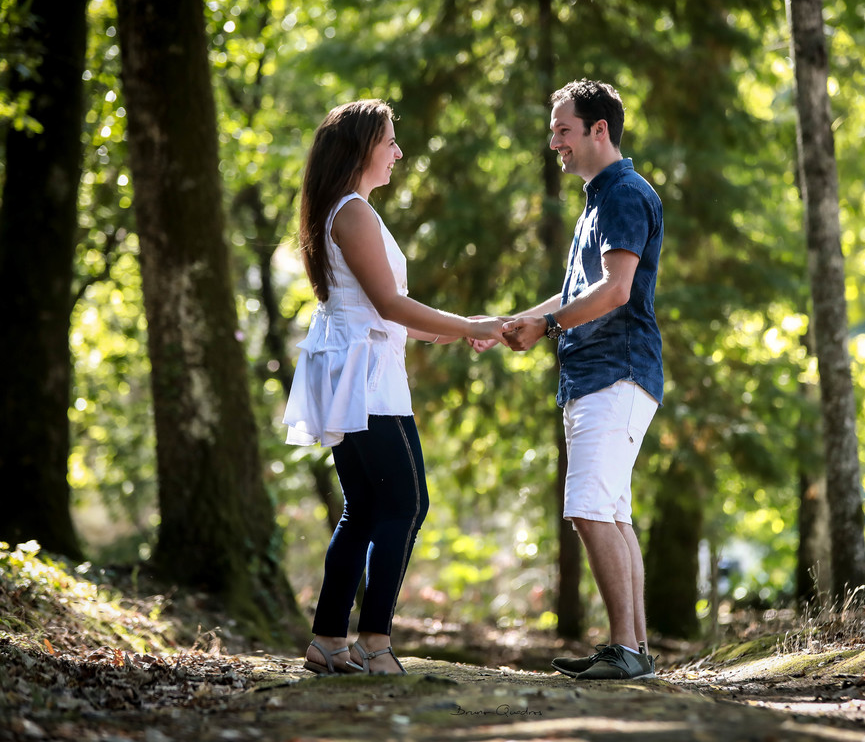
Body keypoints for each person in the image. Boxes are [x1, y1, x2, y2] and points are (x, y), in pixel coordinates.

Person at [283, 99, 506, 676]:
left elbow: (385, 310)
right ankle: (374, 641)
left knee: (363, 508)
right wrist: (470, 324)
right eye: (389, 141)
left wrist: (458, 331)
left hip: (356, 371)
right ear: (362, 149)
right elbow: (388, 304)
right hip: (369, 381)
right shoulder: (353, 212)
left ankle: (328, 639)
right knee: (406, 503)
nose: (399, 153)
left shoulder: (344, 210)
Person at [501, 79, 664, 680]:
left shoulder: (623, 194)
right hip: (600, 374)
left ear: (599, 130)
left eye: (562, 130)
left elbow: (616, 291)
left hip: (616, 371)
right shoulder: (599, 200)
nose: (554, 144)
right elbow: (579, 292)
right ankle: (635, 649)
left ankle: (626, 650)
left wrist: (546, 326)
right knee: (612, 513)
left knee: (591, 510)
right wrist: (518, 322)